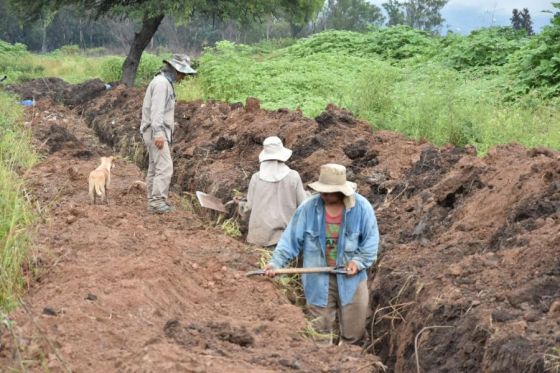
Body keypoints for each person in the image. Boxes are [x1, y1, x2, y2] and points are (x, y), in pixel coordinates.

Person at [264, 163, 379, 345]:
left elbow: (371, 243)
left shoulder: (361, 208)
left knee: (354, 333)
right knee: (319, 332)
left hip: (351, 279)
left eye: (329, 192)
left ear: (342, 191)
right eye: (322, 191)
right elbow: (290, 240)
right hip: (317, 278)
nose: (323, 195)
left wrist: (357, 262)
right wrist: (275, 263)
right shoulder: (309, 208)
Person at [140, 54, 196, 213]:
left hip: (153, 130)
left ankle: (153, 201)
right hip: (155, 132)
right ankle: (157, 203)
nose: (184, 77)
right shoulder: (162, 84)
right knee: (165, 168)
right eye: (182, 73)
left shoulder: (163, 82)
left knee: (154, 168)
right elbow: (156, 110)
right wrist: (158, 133)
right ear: (175, 70)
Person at [238, 136, 307, 247]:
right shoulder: (293, 176)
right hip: (284, 240)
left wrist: (241, 205)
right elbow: (303, 205)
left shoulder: (256, 178)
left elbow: (249, 207)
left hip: (258, 240)